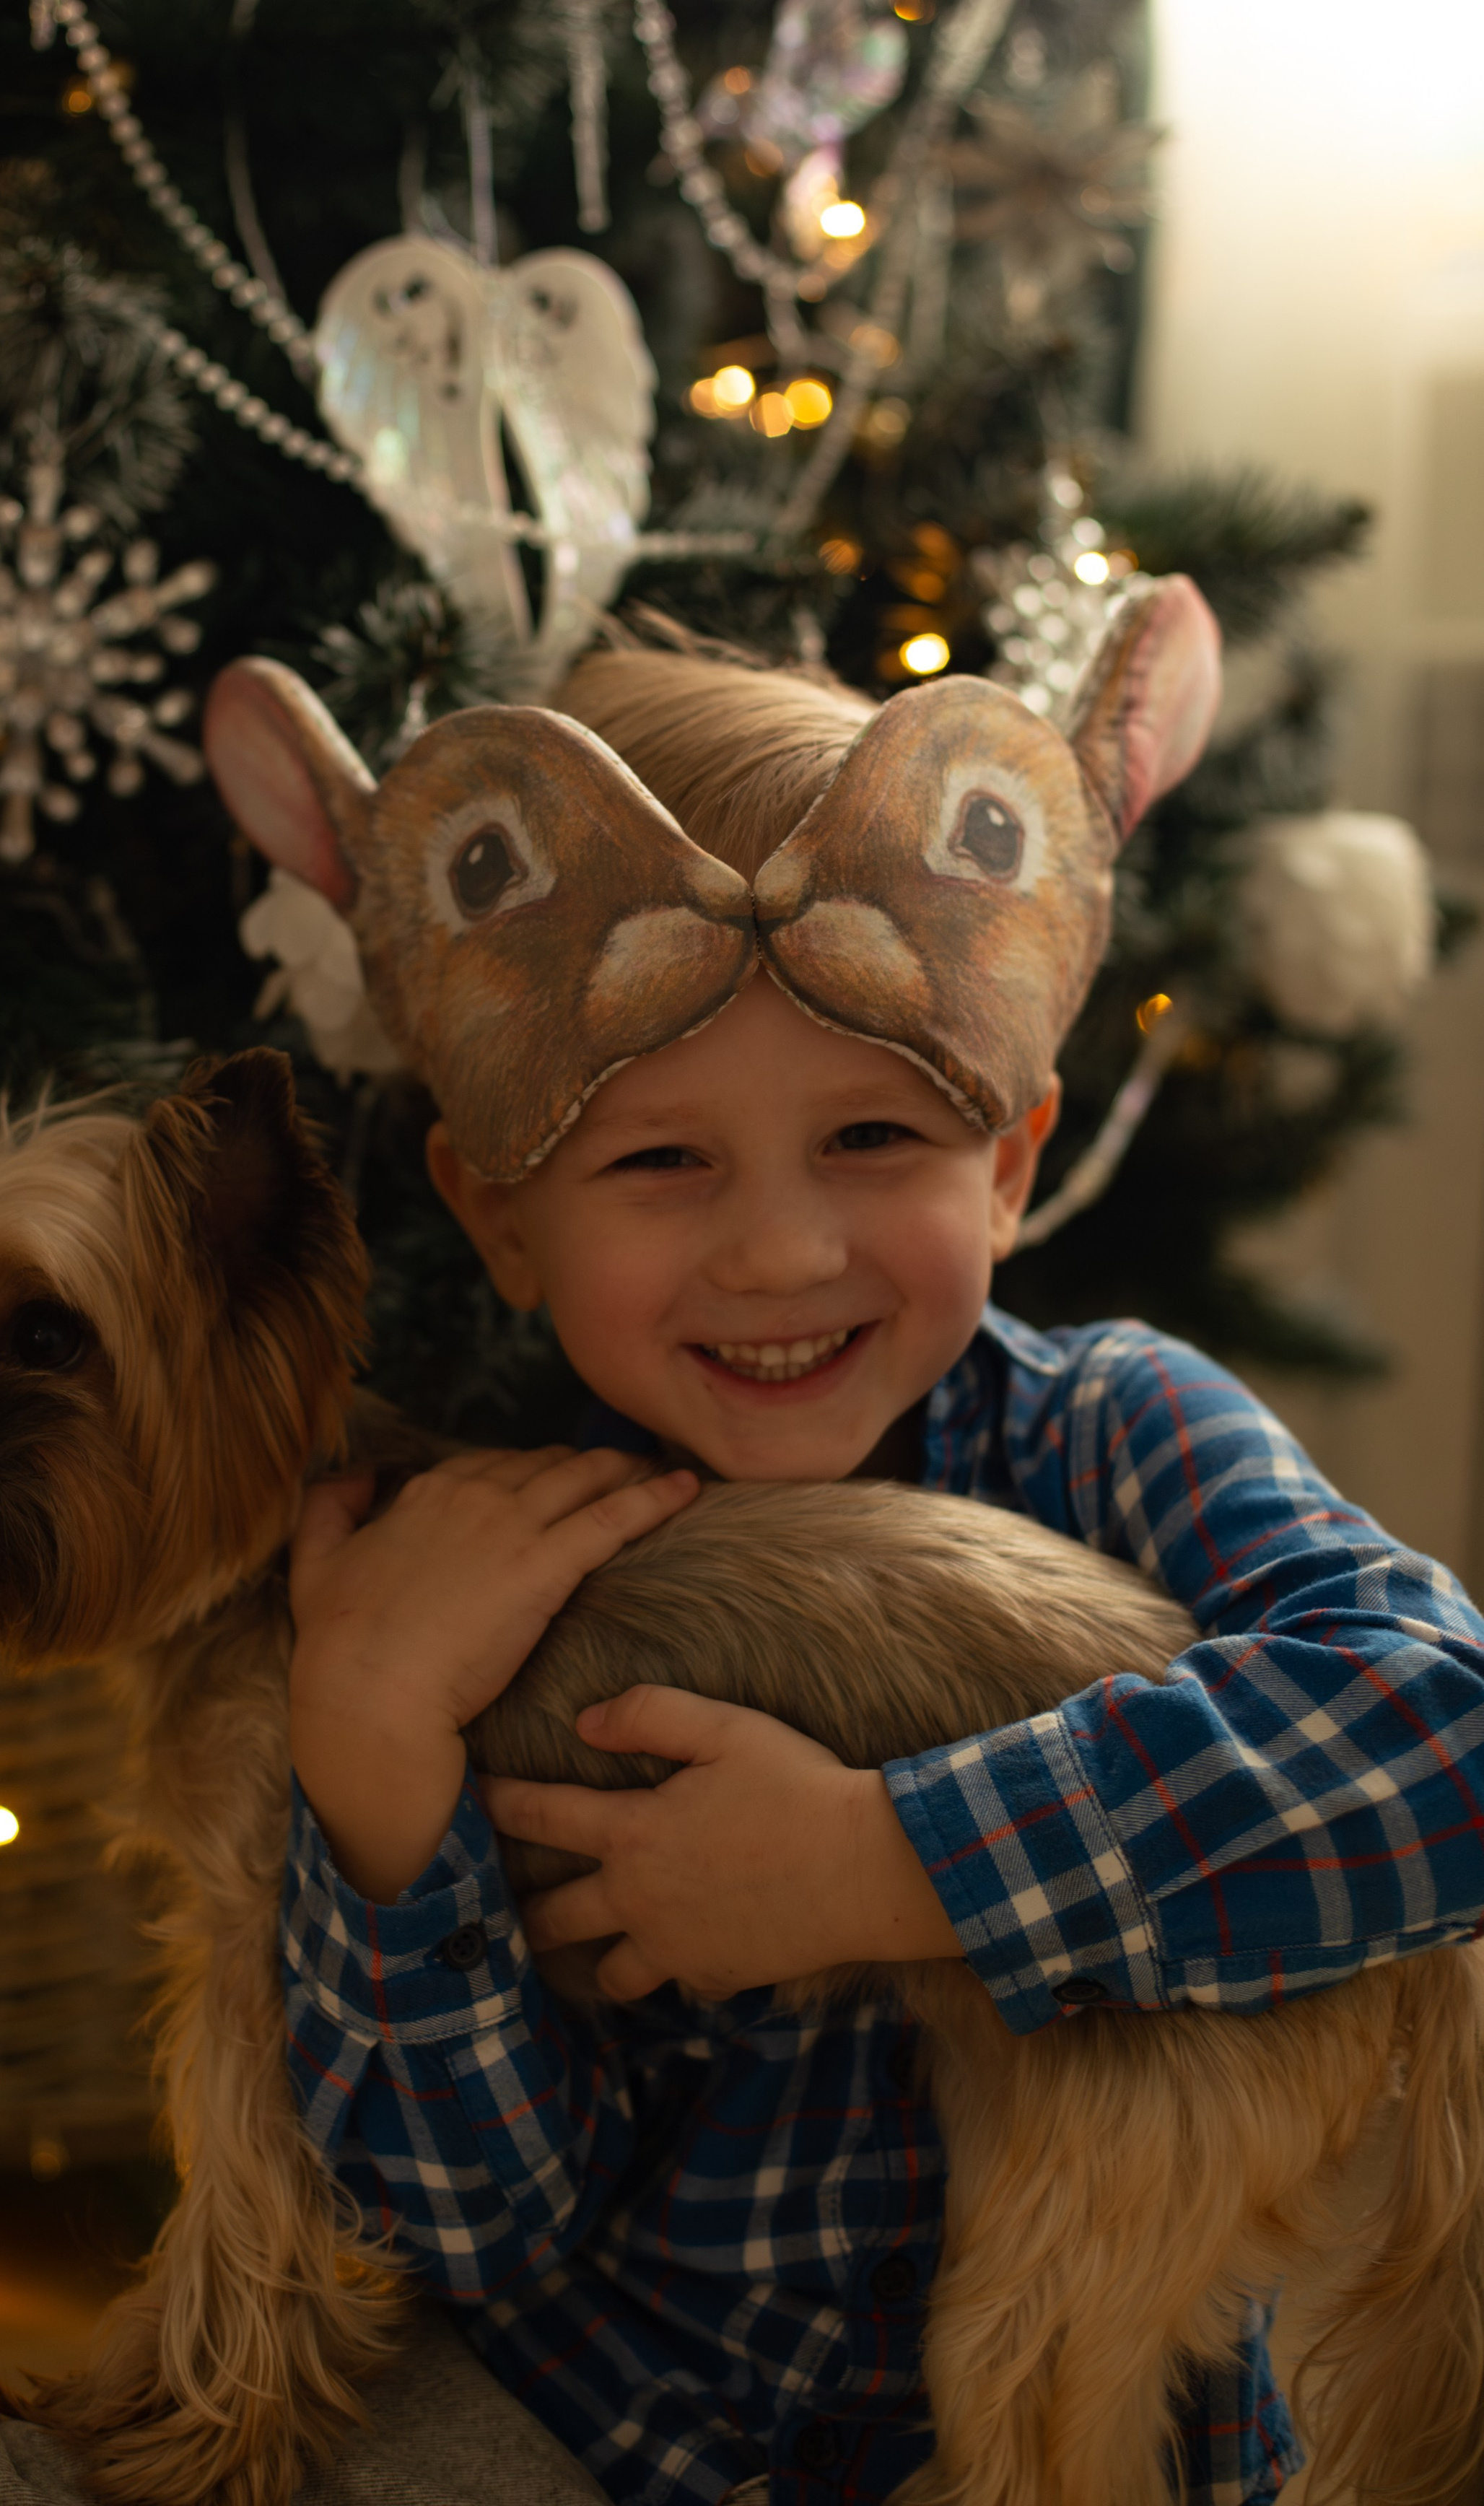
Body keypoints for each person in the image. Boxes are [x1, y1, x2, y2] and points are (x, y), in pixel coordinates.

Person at [262, 626, 1484, 2506]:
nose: (776, 1252)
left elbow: (1446, 1736)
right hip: (615, 2435)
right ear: (498, 1217)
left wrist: (890, 1863)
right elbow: (479, 2234)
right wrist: (376, 1780)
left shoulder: (1111, 1434)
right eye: (663, 1160)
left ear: (1006, 1166)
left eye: (872, 1136)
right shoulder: (494, 1569)